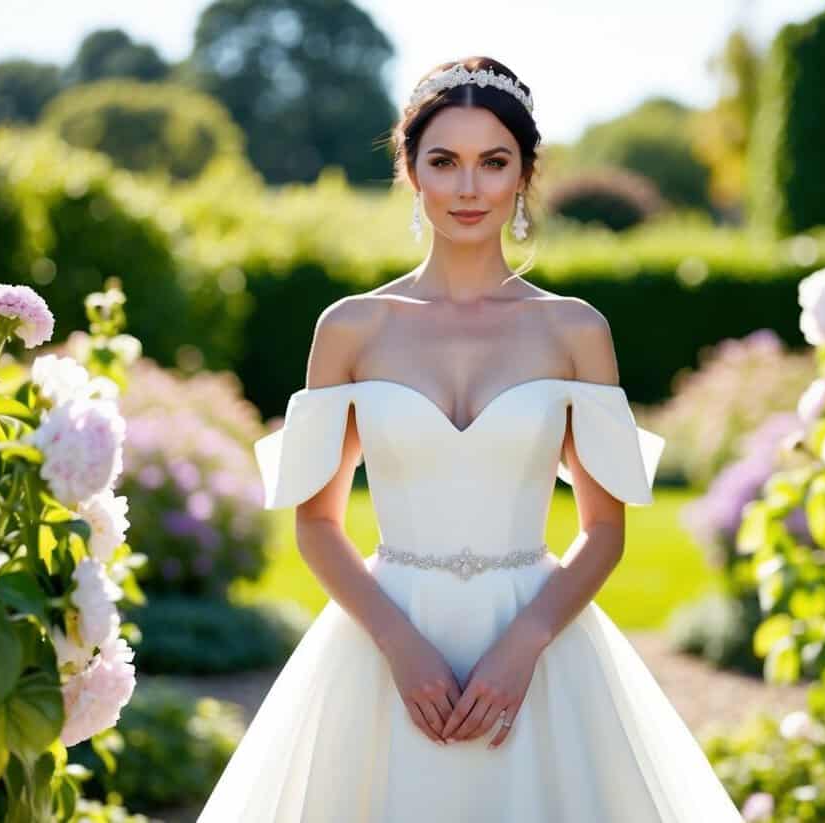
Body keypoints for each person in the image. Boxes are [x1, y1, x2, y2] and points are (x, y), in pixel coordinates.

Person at [197, 56, 744, 822]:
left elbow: (606, 529)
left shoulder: (576, 330)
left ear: (524, 174)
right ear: (410, 171)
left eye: (494, 162)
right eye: (444, 161)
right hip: (384, 648)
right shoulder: (349, 328)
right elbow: (316, 523)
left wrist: (524, 647)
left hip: (540, 648)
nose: (468, 187)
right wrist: (398, 644)